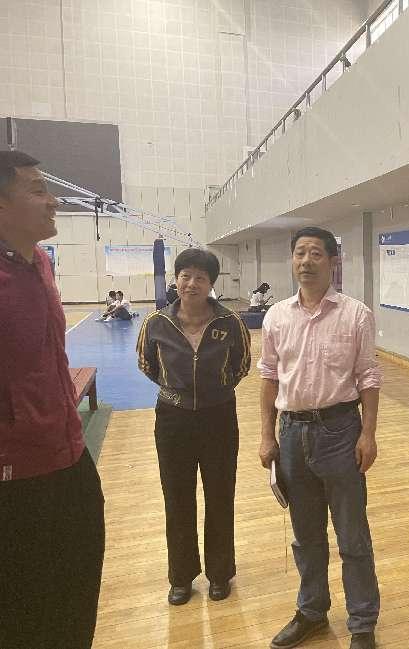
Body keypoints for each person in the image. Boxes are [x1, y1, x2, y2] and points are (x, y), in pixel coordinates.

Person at [0, 150, 105, 648]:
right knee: (23, 618)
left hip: (68, 457)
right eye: (38, 190)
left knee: (74, 601)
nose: (54, 201)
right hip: (14, 478)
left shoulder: (40, 262)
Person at [258, 226, 381, 649]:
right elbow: (269, 377)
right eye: (299, 253)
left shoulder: (355, 314)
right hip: (292, 434)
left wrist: (368, 433)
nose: (306, 261)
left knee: (352, 535)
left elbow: (368, 376)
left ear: (333, 261)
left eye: (315, 253)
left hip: (341, 431)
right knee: (305, 534)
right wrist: (266, 435)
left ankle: (362, 622)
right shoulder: (277, 316)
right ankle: (311, 611)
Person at [136, 248, 251, 606]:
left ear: (211, 283)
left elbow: (242, 365)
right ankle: (181, 576)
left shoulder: (230, 322)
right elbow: (147, 364)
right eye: (185, 275)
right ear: (176, 279)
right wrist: (178, 391)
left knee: (220, 494)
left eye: (201, 277)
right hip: (173, 419)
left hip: (219, 417)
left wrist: (215, 390)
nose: (192, 283)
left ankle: (220, 573)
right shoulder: (156, 323)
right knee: (177, 497)